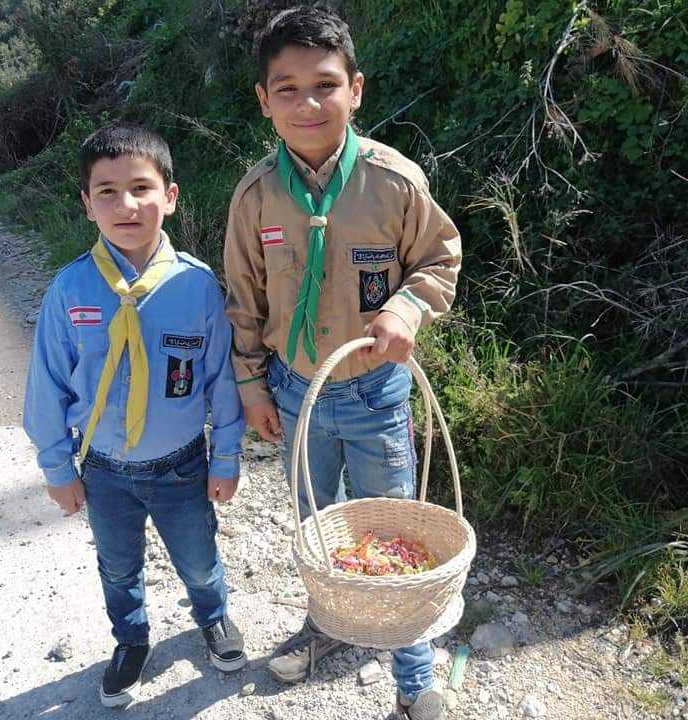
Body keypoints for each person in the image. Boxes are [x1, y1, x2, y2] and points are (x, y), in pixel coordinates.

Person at [222, 6, 462, 720]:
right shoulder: (255, 196)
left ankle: (413, 675)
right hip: (296, 389)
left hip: (374, 392)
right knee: (317, 523)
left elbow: (439, 260)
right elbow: (243, 298)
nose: (308, 103)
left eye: (325, 85)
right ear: (264, 101)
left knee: (396, 533)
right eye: (287, 89)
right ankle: (326, 624)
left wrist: (407, 308)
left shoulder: (393, 182)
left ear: (355, 89)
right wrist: (251, 385)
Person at [23, 123, 247, 708]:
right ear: (87, 204)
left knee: (198, 558)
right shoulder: (70, 290)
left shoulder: (197, 286)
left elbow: (221, 380)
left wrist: (226, 457)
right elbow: (46, 386)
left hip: (181, 465)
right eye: (107, 191)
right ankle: (131, 640)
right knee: (118, 568)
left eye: (141, 188)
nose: (126, 205)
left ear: (169, 197)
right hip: (103, 469)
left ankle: (213, 616)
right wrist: (58, 468)